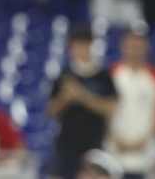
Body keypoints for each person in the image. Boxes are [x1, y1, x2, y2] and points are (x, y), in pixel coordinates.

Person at [48, 26, 118, 179]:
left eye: (85, 44)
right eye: (77, 45)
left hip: (94, 143)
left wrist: (82, 95)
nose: (81, 49)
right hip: (67, 144)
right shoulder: (63, 75)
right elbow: (51, 111)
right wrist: (65, 98)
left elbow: (111, 108)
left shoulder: (103, 76)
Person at [107, 31, 155, 179]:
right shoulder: (111, 74)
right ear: (123, 46)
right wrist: (113, 137)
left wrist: (143, 141)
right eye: (131, 45)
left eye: (138, 46)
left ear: (146, 47)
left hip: (146, 152)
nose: (134, 50)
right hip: (114, 149)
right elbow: (104, 109)